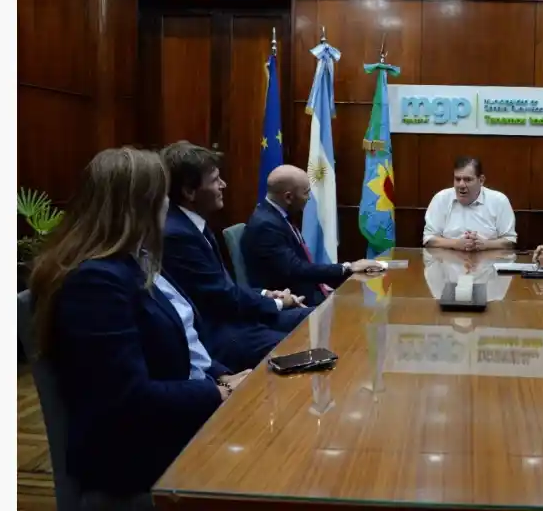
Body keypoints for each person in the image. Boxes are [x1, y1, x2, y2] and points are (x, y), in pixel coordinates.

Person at [28, 147, 250, 505]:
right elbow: (127, 399)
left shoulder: (135, 260)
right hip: (139, 458)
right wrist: (218, 393)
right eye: (162, 196)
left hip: (178, 422)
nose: (168, 205)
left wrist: (225, 377)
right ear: (138, 206)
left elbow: (187, 343)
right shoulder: (95, 281)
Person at [157, 142, 308, 371]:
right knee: (301, 348)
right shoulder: (177, 235)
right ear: (189, 192)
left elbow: (222, 286)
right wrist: (277, 302)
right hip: (220, 333)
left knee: (316, 319)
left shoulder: (193, 222)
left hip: (237, 318)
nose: (223, 185)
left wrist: (267, 293)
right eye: (216, 180)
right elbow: (220, 297)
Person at [242, 165, 384, 307]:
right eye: (306, 193)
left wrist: (348, 269)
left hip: (309, 290)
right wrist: (347, 268)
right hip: (294, 301)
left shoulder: (279, 215)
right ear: (288, 197)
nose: (309, 198)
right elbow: (296, 269)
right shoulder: (266, 226)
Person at [422, 156, 517, 251]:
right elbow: (429, 240)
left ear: (481, 180)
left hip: (488, 263)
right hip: (447, 262)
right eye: (457, 179)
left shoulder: (499, 201)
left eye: (467, 180)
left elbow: (510, 242)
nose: (461, 185)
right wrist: (455, 244)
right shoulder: (441, 199)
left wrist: (486, 244)